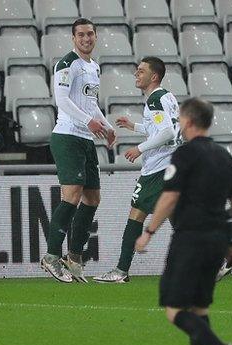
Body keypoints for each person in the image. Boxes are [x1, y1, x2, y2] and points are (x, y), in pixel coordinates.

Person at [135, 97, 232, 345]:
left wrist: (149, 232)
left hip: (191, 238)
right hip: (218, 239)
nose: (179, 124)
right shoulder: (225, 158)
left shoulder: (185, 154)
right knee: (200, 308)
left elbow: (170, 197)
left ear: (189, 121)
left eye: (181, 119)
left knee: (174, 310)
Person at [41, 18, 116, 283]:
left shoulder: (93, 67)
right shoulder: (66, 64)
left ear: (96, 36)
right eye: (81, 35)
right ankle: (51, 257)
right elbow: (62, 100)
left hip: (85, 138)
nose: (86, 38)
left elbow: (90, 102)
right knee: (71, 195)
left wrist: (106, 126)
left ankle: (73, 258)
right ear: (73, 38)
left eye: (90, 34)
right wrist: (89, 121)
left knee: (92, 198)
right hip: (67, 136)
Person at [94, 57, 181, 283]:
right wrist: (134, 126)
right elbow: (163, 129)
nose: (136, 74)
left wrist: (139, 149)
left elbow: (167, 134)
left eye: (141, 71)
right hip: (172, 165)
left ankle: (121, 270)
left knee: (136, 214)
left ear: (154, 76)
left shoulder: (154, 100)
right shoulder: (167, 97)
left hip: (158, 169)